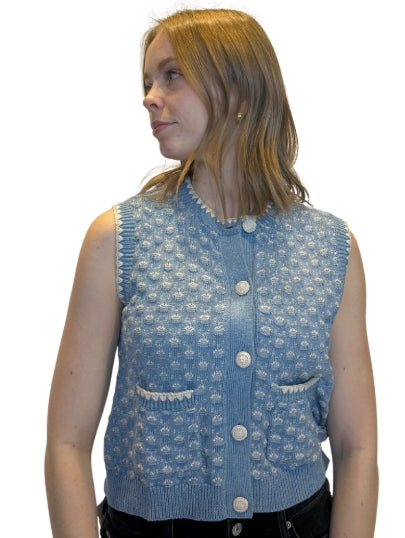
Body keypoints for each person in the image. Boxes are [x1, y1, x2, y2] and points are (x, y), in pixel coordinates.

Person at [45, 8, 378, 538]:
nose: (150, 96)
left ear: (240, 92)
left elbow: (357, 445)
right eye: (148, 81)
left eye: (173, 75)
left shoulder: (331, 247)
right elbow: (66, 442)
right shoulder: (118, 240)